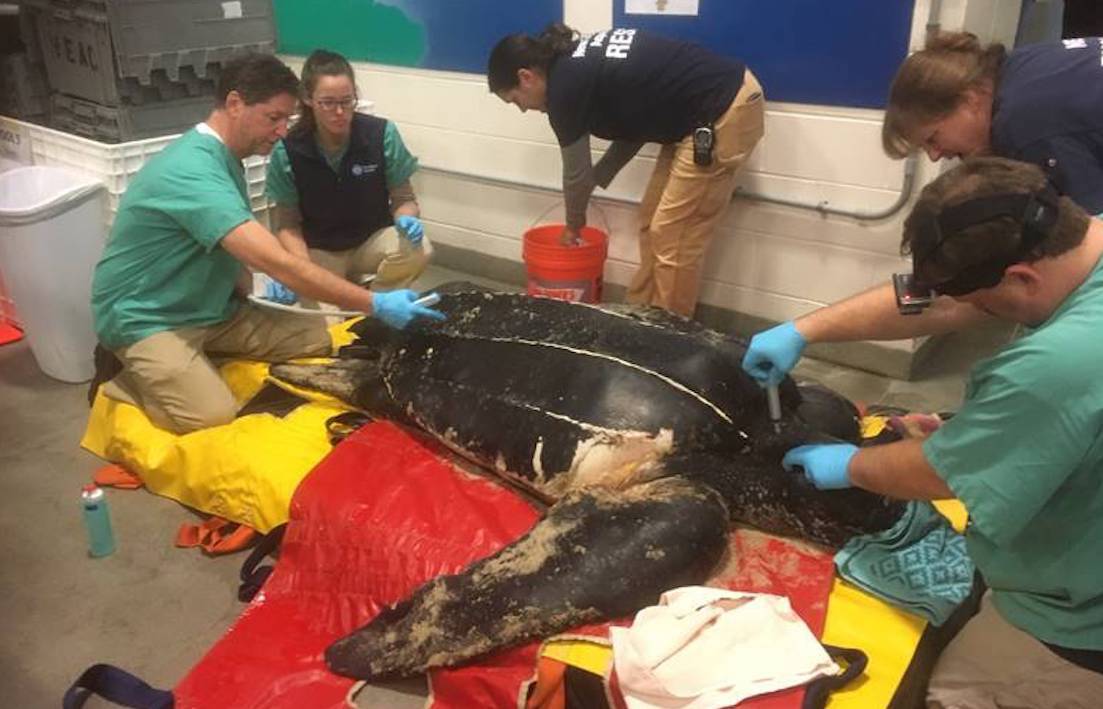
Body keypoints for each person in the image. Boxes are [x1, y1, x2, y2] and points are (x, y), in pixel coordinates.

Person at [743, 157, 1103, 704]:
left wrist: (847, 466)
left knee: (960, 694)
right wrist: (804, 329)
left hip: (1077, 623)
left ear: (1021, 277)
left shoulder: (1061, 359)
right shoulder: (1075, 241)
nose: (969, 311)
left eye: (980, 305)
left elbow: (942, 471)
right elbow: (931, 304)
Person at [90, 53, 443, 435]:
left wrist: (251, 286)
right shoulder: (192, 171)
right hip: (148, 316)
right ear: (234, 103)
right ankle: (122, 382)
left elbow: (219, 245)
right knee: (212, 417)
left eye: (285, 120)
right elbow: (281, 261)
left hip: (209, 307)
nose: (280, 131)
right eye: (273, 118)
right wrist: (375, 304)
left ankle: (195, 358)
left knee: (314, 340)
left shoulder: (228, 159)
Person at [487, 24, 764, 317]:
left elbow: (575, 175)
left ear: (525, 77)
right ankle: (640, 314)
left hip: (723, 107)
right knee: (651, 219)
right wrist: (600, 176)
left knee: (672, 234)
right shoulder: (571, 66)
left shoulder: (564, 90)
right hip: (695, 116)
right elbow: (634, 128)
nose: (522, 109)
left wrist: (573, 226)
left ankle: (671, 340)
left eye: (515, 100)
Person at [264, 49, 431, 308]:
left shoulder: (381, 134)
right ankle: (350, 298)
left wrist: (406, 217)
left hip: (369, 240)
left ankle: (377, 303)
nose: (339, 112)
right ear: (308, 99)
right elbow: (287, 225)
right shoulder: (288, 150)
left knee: (418, 248)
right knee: (329, 332)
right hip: (321, 250)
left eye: (347, 101)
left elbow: (404, 198)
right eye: (328, 102)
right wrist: (297, 270)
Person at [883, 31, 1103, 213]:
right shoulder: (1020, 64)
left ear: (969, 100)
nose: (935, 155)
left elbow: (1094, 232)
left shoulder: (1021, 123)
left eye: (933, 138)